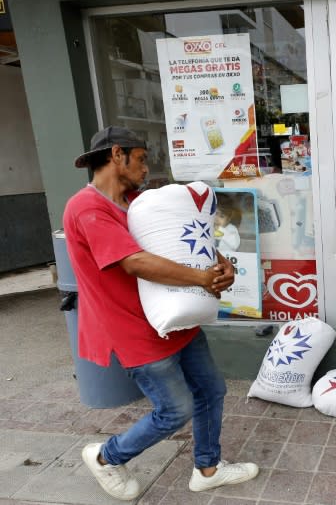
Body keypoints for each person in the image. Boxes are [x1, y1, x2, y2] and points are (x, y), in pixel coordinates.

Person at [65, 126, 259, 500]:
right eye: (141, 158)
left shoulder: (139, 201)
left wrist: (221, 265)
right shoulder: (86, 207)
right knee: (175, 409)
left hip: (177, 316)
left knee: (210, 390)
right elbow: (134, 262)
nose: (145, 167)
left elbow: (184, 236)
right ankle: (107, 458)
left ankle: (208, 468)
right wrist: (202, 279)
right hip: (134, 329)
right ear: (117, 154)